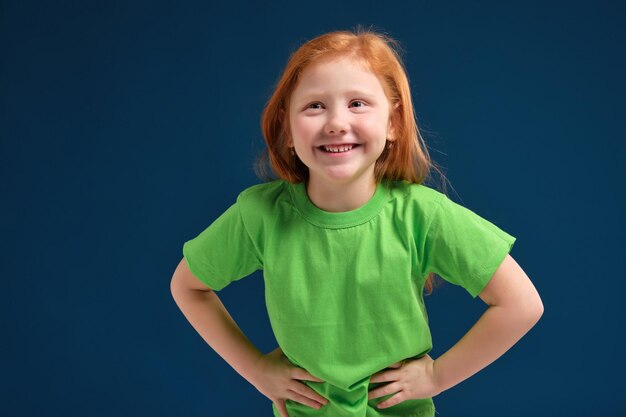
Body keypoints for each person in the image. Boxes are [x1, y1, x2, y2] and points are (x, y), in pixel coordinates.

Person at [170, 27, 544, 417]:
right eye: (314, 106)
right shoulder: (260, 216)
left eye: (358, 103)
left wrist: (436, 377)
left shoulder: (422, 214)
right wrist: (256, 371)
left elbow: (521, 304)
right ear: (288, 129)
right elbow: (188, 286)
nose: (335, 122)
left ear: (393, 123)